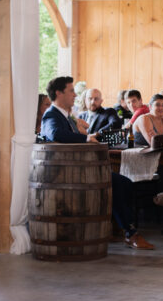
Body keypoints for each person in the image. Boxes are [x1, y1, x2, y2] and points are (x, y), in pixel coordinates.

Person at [40, 77, 150, 250]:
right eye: (70, 91)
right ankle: (129, 233)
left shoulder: (67, 116)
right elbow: (54, 133)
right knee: (119, 184)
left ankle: (121, 230)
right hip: (66, 174)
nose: (75, 94)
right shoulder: (52, 115)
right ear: (59, 93)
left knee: (125, 183)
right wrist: (86, 138)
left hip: (81, 168)